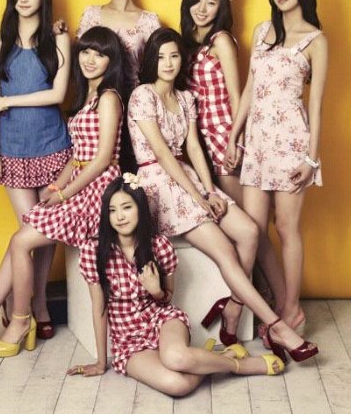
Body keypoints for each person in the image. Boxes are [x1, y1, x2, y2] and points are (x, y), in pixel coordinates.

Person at [126, 27, 319, 363]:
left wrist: (208, 189)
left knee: (250, 232)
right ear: (151, 61)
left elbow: (193, 148)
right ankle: (278, 327)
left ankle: (232, 307)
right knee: (227, 252)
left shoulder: (185, 98)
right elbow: (162, 154)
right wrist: (199, 197)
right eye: (161, 57)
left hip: (187, 177)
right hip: (159, 184)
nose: (168, 63)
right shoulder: (143, 95)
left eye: (174, 56)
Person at [0, 26, 126, 357]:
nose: (90, 60)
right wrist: (57, 185)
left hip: (99, 191)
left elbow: (102, 159)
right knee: (21, 238)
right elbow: (78, 156)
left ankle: (17, 320)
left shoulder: (109, 98)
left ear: (112, 61)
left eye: (100, 54)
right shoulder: (87, 97)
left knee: (21, 241)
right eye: (86, 52)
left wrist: (65, 194)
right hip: (78, 183)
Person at [69, 176, 285, 396]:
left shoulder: (158, 246)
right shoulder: (93, 251)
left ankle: (241, 366)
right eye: (112, 210)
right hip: (128, 340)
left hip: (162, 320)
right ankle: (219, 357)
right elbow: (100, 308)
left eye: (126, 207)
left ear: (140, 208)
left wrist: (156, 291)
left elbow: (167, 298)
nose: (120, 216)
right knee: (177, 385)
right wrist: (100, 362)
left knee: (176, 358)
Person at [225, 0, 328, 342]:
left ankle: (290, 309)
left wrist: (311, 159)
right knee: (253, 230)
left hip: (291, 144)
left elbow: (316, 104)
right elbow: (250, 88)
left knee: (286, 228)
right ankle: (252, 303)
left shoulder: (316, 40)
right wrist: (234, 135)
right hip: (257, 143)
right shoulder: (262, 31)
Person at [0, 0, 72, 339]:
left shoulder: (58, 39)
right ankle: (21, 305)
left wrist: (8, 102)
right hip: (12, 148)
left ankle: (38, 304)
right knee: (31, 230)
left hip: (52, 146)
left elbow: (58, 94)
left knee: (45, 233)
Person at [181, 0, 243, 204]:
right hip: (197, 139)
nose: (202, 9)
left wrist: (236, 143)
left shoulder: (221, 41)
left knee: (242, 214)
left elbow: (236, 97)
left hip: (223, 134)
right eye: (197, 1)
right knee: (218, 209)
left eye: (211, 3)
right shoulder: (187, 42)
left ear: (221, 8)